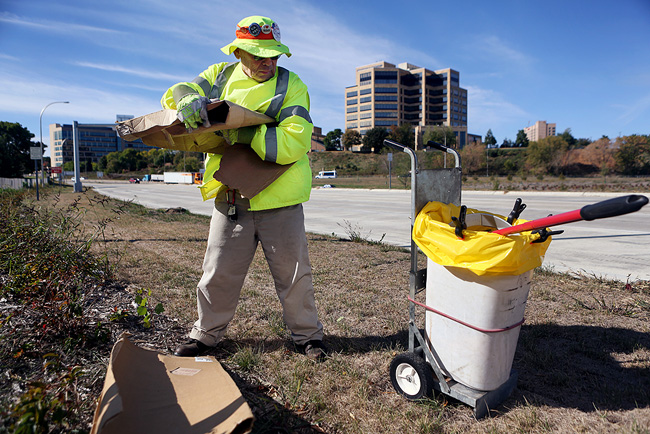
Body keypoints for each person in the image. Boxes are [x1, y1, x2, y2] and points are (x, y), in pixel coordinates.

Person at [161, 15, 326, 361]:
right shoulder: (219, 76)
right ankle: (205, 335)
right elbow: (176, 92)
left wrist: (243, 132)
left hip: (279, 199)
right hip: (231, 198)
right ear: (238, 52)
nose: (267, 62)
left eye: (273, 55)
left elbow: (295, 142)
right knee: (217, 271)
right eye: (258, 55)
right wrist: (187, 100)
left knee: (293, 275)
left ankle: (308, 337)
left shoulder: (291, 85)